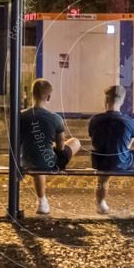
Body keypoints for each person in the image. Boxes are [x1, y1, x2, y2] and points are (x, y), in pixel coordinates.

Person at [88, 85, 134, 219]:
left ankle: (100, 203)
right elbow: (127, 145)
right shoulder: (129, 122)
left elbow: (94, 140)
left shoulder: (94, 120)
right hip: (121, 161)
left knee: (103, 174)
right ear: (122, 101)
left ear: (106, 100)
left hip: (100, 161)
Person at [19, 79, 81, 215]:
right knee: (75, 142)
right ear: (49, 97)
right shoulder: (55, 118)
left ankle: (42, 201)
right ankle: (42, 202)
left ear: (32, 94)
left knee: (38, 152)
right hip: (47, 162)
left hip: (25, 161)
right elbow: (60, 148)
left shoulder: (20, 115)